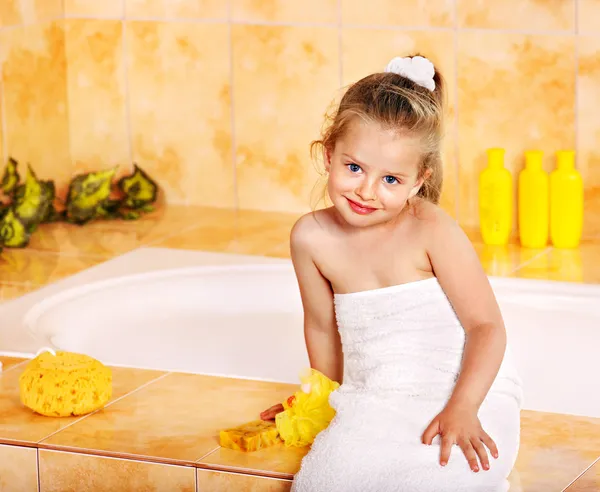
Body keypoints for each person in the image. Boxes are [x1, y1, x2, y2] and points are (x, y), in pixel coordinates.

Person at [260, 54, 523, 492]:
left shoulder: (429, 227)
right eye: (354, 168)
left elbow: (487, 327)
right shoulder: (311, 238)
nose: (366, 191)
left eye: (391, 180)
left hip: (466, 387)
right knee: (328, 477)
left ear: (419, 180)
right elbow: (322, 328)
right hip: (376, 394)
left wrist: (463, 406)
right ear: (328, 155)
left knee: (438, 474)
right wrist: (320, 400)